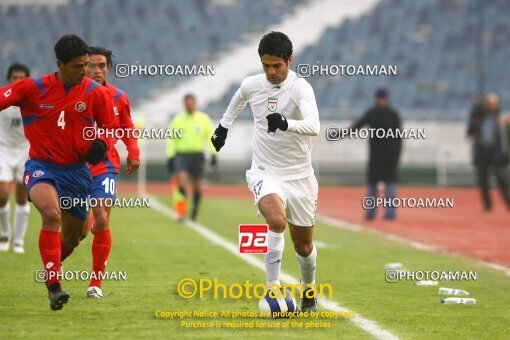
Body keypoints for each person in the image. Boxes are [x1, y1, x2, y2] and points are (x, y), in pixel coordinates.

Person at [0, 34, 117, 310]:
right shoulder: (32, 88)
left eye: (87, 65)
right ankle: (55, 286)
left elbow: (110, 128)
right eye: (78, 66)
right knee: (51, 214)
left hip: (77, 173)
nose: (85, 72)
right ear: (59, 64)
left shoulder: (95, 93)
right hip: (41, 167)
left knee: (75, 237)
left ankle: (51, 266)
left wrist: (102, 143)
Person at [211, 31, 320, 312]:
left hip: (300, 178)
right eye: (266, 65)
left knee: (304, 247)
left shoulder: (301, 89)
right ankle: (273, 288)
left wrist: (286, 123)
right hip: (264, 171)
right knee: (276, 220)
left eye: (277, 66)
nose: (271, 72)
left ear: (289, 61)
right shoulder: (252, 85)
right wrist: (223, 127)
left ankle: (309, 290)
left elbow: (314, 126)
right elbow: (238, 99)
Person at [83, 46, 140, 298]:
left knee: (102, 218)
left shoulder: (119, 97)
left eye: (102, 66)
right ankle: (54, 269)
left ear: (108, 68)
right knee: (79, 231)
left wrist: (134, 152)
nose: (97, 70)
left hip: (106, 164)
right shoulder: (72, 94)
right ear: (83, 66)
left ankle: (95, 283)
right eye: (92, 65)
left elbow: (127, 127)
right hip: (74, 165)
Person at [350, 89, 402, 220]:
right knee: (372, 186)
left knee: (390, 187)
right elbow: (358, 125)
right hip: (375, 157)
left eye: (383, 98)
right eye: (380, 99)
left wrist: (396, 156)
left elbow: (399, 138)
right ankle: (370, 214)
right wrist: (341, 134)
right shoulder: (372, 113)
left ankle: (390, 214)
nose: (382, 101)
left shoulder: (393, 115)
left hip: (390, 157)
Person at [166, 94, 216, 221]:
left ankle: (195, 209)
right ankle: (183, 210)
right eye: (187, 103)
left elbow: (210, 136)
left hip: (197, 156)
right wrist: (170, 156)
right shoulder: (178, 120)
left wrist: (213, 153)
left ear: (195, 104)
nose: (189, 105)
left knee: (197, 186)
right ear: (184, 104)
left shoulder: (203, 119)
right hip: (181, 156)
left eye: (191, 103)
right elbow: (172, 138)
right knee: (181, 182)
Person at [0, 63, 31, 253]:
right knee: (2, 195)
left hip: (25, 151)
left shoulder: (33, 100)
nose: (18, 81)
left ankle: (18, 240)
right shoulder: (3, 98)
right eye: (15, 78)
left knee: (22, 197)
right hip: (3, 150)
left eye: (22, 78)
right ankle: (5, 235)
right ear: (8, 80)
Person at [467, 93, 510, 211]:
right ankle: (487, 205)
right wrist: (474, 115)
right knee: (483, 180)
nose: (490, 106)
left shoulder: (503, 118)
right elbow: (470, 132)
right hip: (482, 153)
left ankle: (508, 203)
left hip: (497, 153)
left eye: (492, 104)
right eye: (488, 103)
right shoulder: (479, 118)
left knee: (503, 180)